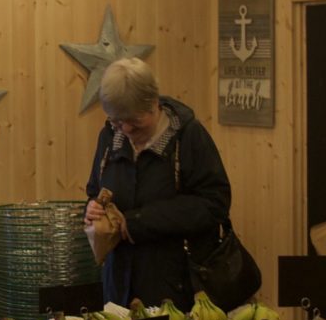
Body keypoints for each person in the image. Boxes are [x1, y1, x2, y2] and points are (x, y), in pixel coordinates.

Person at [83, 57, 232, 307]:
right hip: (119, 289)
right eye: (118, 121)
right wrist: (91, 209)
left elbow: (214, 204)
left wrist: (138, 222)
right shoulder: (109, 137)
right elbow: (94, 191)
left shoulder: (188, 137)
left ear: (154, 103)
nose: (127, 128)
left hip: (175, 288)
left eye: (135, 120)